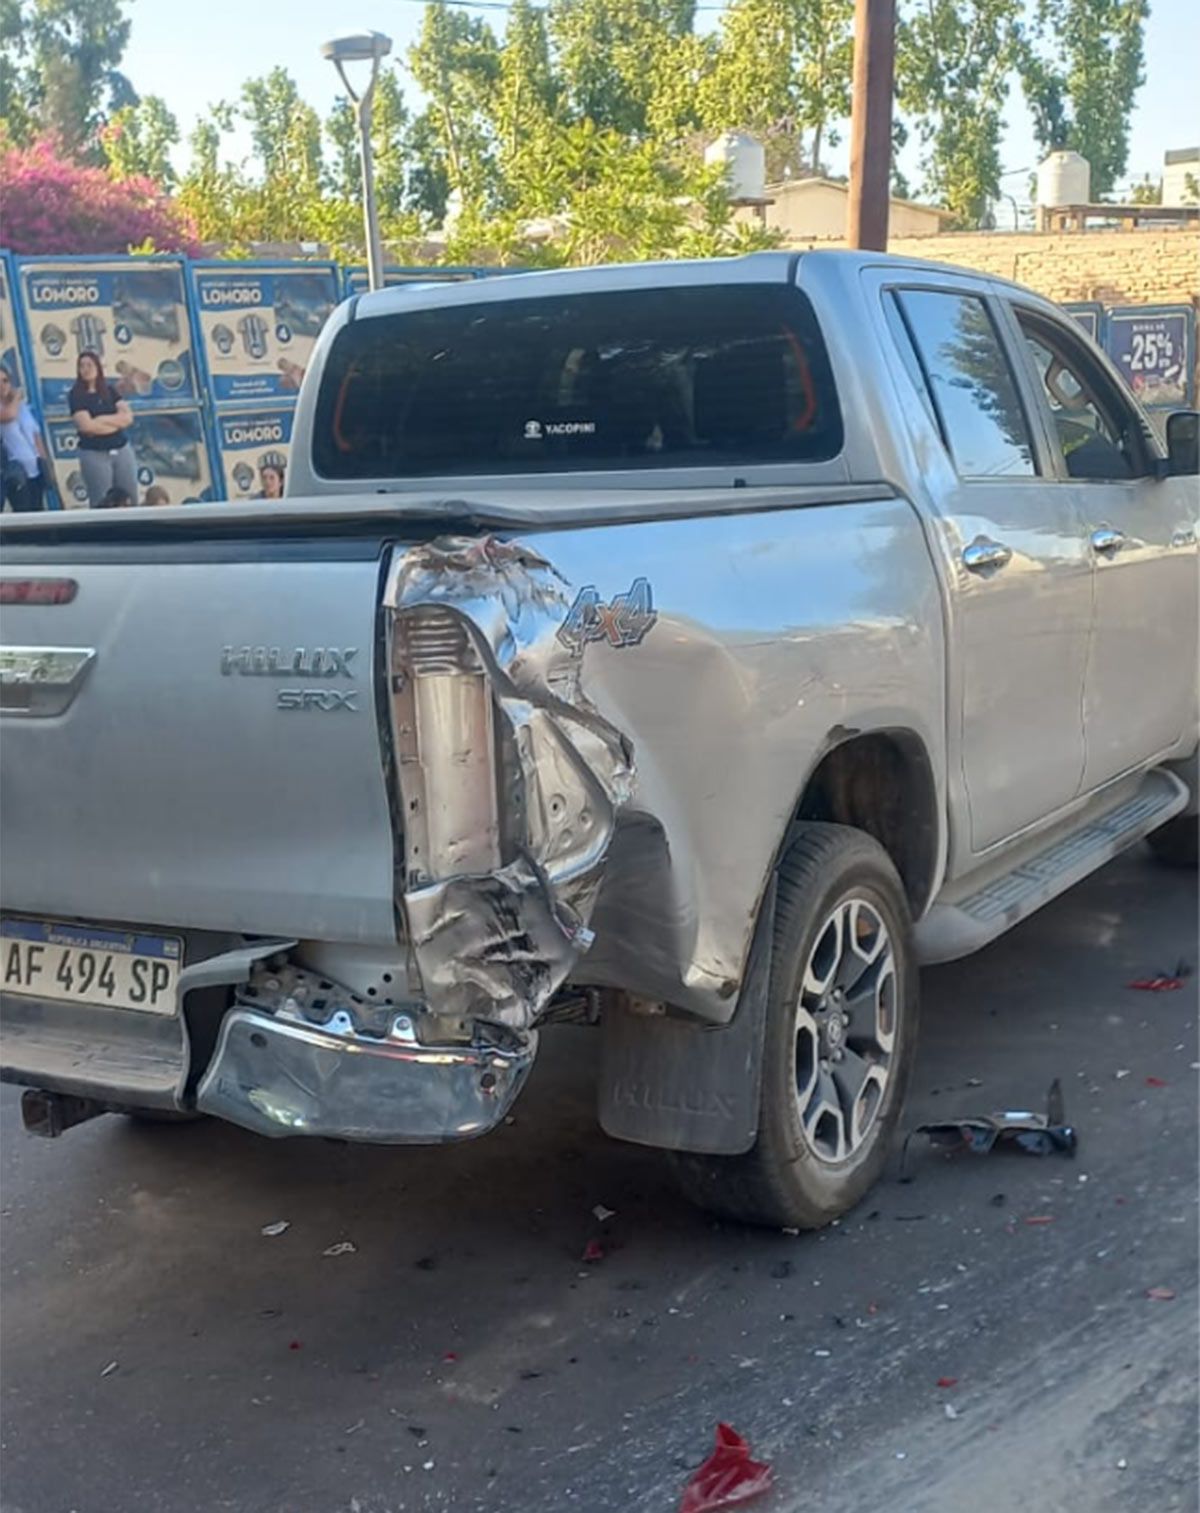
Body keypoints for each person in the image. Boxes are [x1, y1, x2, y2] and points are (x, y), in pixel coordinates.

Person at [69, 350, 137, 509]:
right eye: (82, 366)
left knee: (130, 497)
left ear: (98, 367)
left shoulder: (110, 390)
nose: (86, 369)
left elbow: (127, 417)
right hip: (94, 453)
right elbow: (87, 426)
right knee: (102, 499)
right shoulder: (76, 395)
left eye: (89, 365)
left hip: (121, 448)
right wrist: (114, 423)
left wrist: (101, 420)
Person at [0, 365, 49, 512]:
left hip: (33, 467)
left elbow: (35, 434)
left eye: (5, 381)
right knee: (23, 510)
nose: (2, 386)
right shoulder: (12, 406)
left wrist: (44, 462)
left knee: (38, 510)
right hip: (14, 471)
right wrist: (15, 397)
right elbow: (9, 415)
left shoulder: (21, 406)